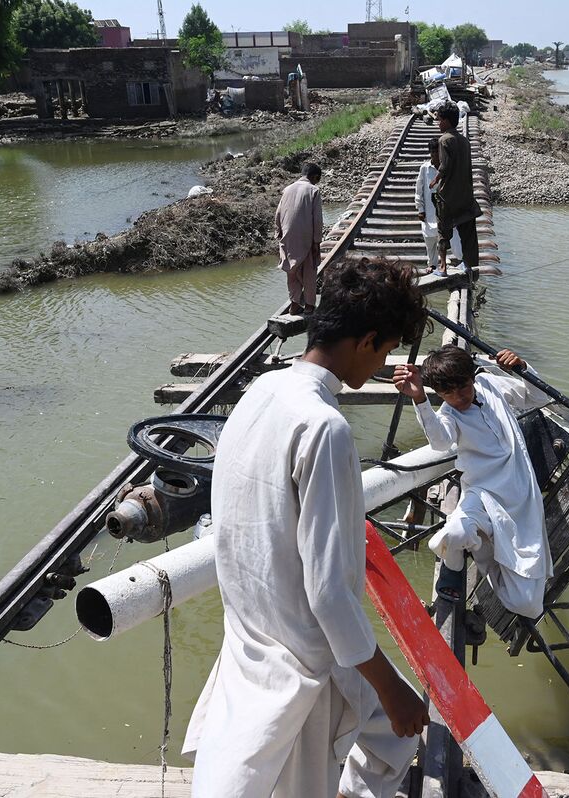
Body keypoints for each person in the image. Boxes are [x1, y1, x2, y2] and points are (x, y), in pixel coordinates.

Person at [184, 257, 431, 798]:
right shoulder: (325, 428)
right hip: (304, 659)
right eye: (386, 350)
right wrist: (391, 690)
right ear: (366, 340)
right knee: (361, 748)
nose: (382, 364)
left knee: (388, 742)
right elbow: (330, 594)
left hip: (249, 634)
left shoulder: (262, 391)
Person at [392, 345, 552, 619]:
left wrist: (522, 368)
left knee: (527, 604)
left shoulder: (490, 384)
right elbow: (441, 442)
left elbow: (538, 397)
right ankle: (452, 571)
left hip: (521, 495)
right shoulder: (448, 414)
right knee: (453, 534)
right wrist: (419, 398)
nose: (458, 397)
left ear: (473, 377)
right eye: (447, 393)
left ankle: (485, 546)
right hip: (482, 493)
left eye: (463, 387)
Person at [429, 103, 480, 276]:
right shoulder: (464, 141)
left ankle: (442, 268)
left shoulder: (444, 140)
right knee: (468, 233)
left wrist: (436, 178)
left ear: (446, 121)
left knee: (443, 232)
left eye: (440, 120)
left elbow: (445, 166)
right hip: (465, 195)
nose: (438, 123)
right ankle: (468, 266)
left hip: (448, 196)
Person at [275, 162, 324, 315]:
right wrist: (317, 241)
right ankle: (309, 306)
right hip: (306, 236)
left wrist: (279, 234)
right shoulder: (313, 190)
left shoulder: (287, 189)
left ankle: (294, 304)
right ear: (314, 177)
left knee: (291, 271)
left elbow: (278, 214)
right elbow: (317, 219)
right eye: (317, 179)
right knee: (309, 271)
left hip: (287, 235)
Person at [415, 138, 463, 276]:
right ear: (429, 153)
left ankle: (460, 260)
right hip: (430, 211)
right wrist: (420, 209)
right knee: (429, 238)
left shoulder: (446, 168)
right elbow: (419, 189)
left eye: (437, 152)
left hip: (446, 210)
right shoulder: (424, 168)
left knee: (453, 236)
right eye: (432, 152)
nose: (435, 154)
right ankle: (432, 264)